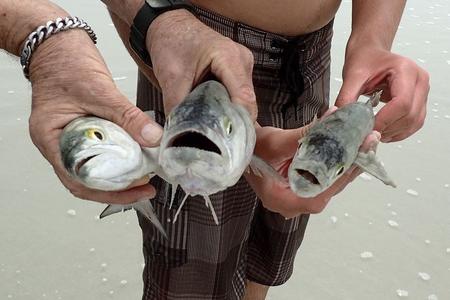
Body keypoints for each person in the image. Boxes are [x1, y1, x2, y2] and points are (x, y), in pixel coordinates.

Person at [0, 0, 429, 299]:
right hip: (183, 48)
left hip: (312, 53)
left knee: (271, 245)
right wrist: (153, 21)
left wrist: (371, 41)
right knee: (189, 279)